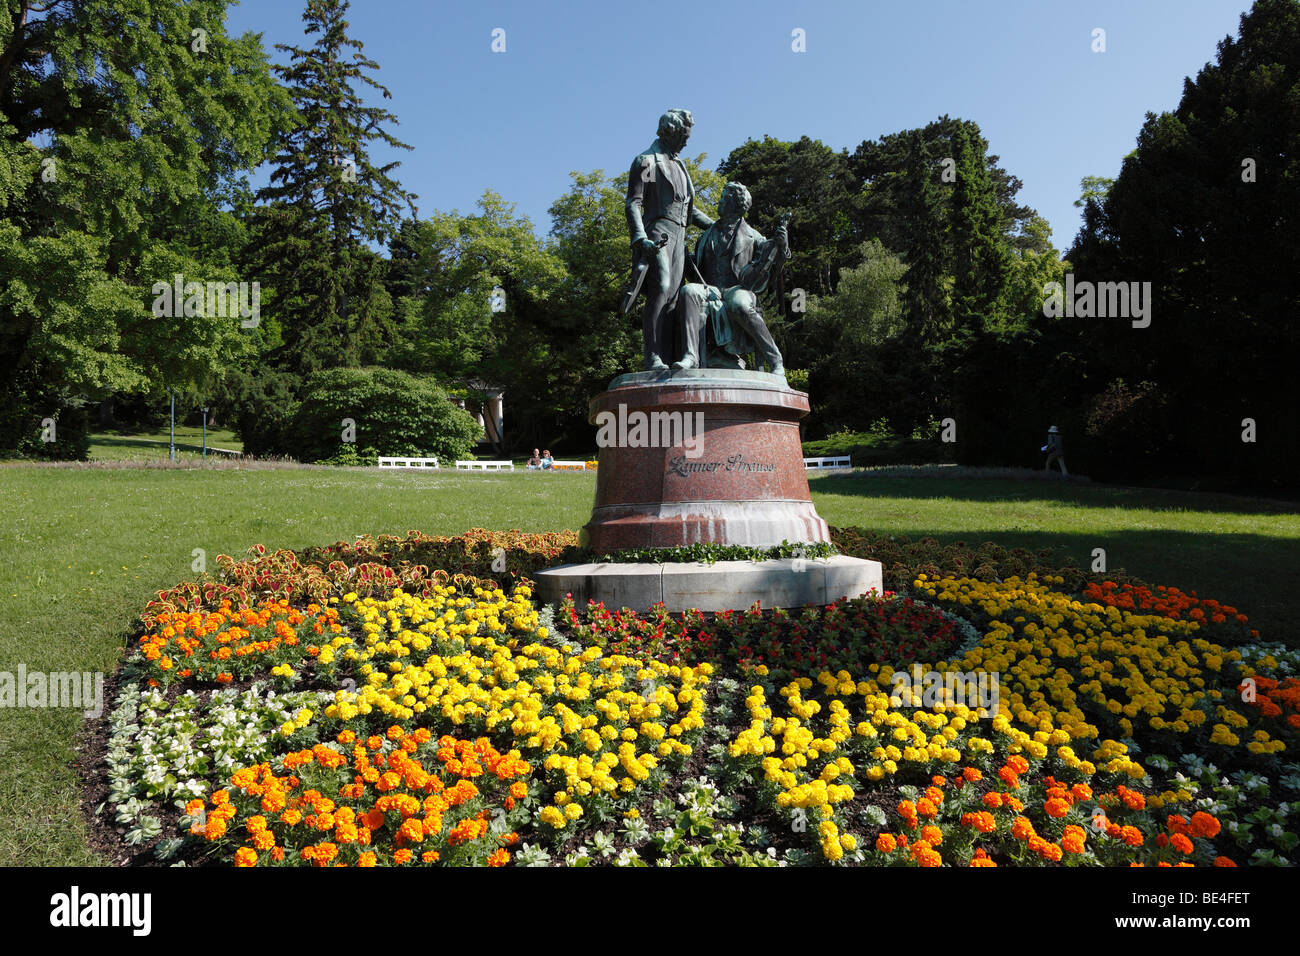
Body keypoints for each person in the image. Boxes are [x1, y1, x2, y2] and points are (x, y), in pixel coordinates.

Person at [625, 108, 716, 371]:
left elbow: (689, 210)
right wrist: (640, 238)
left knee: (676, 296)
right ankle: (652, 355)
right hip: (658, 233)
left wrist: (717, 226)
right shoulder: (648, 162)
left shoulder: (679, 164)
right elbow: (634, 203)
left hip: (680, 236)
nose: (687, 141)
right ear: (670, 132)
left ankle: (671, 355)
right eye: (684, 136)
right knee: (661, 287)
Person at [673, 181, 788, 373]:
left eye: (723, 198)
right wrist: (684, 259)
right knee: (688, 290)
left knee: (739, 304)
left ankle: (775, 359)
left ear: (736, 205)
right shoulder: (706, 236)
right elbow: (697, 272)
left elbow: (772, 261)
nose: (719, 202)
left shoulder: (753, 236)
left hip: (738, 288)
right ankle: (691, 356)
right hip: (711, 288)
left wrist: (783, 247)